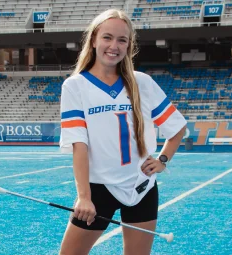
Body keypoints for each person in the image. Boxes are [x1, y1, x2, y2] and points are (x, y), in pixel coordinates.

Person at [59, 9, 187, 255]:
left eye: (122, 40)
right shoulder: (75, 86)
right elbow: (79, 145)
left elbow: (177, 127)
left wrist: (162, 160)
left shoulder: (142, 83)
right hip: (98, 190)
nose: (113, 46)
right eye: (107, 37)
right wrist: (84, 196)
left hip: (142, 187)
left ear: (129, 45)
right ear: (94, 40)